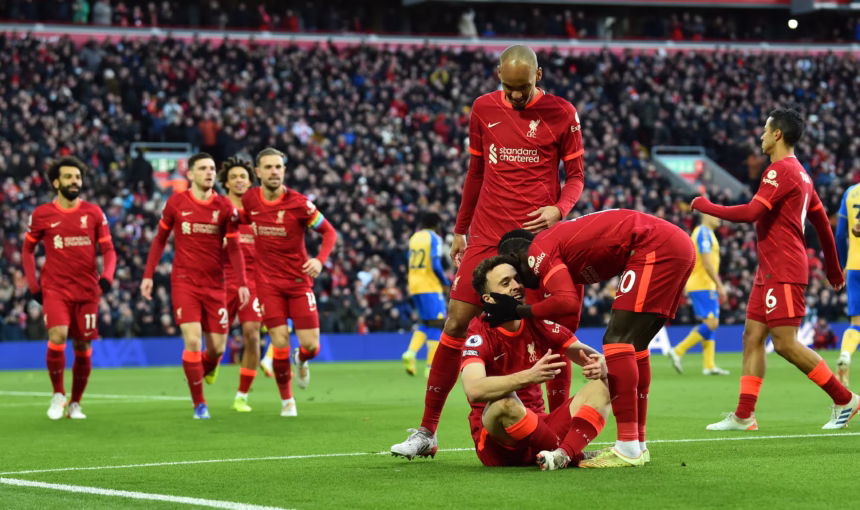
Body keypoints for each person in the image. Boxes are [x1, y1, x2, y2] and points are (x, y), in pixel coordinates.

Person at [391, 44, 586, 459]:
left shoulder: (562, 113)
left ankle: (557, 432)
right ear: (498, 74)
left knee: (549, 330)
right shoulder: (482, 108)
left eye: (524, 87)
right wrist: (461, 229)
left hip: (536, 238)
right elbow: (476, 171)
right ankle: (427, 432)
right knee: (456, 320)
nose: (516, 96)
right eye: (508, 87)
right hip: (486, 230)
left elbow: (576, 177)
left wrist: (559, 209)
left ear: (539, 75)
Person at [484, 209, 696, 467]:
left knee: (616, 339)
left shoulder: (538, 250)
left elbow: (567, 303)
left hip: (653, 246)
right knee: (635, 346)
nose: (523, 284)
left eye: (518, 276)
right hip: (674, 244)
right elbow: (569, 308)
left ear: (516, 256)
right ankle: (637, 445)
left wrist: (517, 310)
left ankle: (628, 447)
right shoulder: (559, 248)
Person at [691, 108, 859, 430]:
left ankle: (845, 399)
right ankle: (744, 415)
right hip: (769, 270)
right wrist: (834, 269)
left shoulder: (779, 171)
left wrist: (705, 206)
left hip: (783, 268)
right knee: (752, 337)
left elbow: (752, 212)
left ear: (778, 134)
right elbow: (822, 221)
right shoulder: (802, 175)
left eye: (766, 131)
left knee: (784, 343)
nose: (761, 136)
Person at [460, 256, 610, 470]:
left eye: (517, 280)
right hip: (500, 442)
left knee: (607, 381)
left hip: (540, 426)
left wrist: (602, 365)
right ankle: (573, 454)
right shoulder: (479, 332)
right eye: (505, 283)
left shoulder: (535, 320)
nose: (516, 286)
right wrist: (529, 376)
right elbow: (473, 389)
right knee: (506, 402)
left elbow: (589, 356)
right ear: (489, 298)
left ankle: (562, 454)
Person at [141, 152, 249, 420]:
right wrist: (148, 275)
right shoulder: (176, 203)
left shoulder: (224, 208)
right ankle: (199, 403)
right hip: (184, 282)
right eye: (203, 168)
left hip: (216, 285)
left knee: (218, 349)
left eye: (212, 168)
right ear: (190, 174)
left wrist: (243, 283)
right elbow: (159, 240)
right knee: (192, 340)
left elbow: (234, 247)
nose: (209, 173)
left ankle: (206, 367)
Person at [241, 147, 337, 417]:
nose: (274, 171)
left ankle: (301, 360)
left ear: (284, 170)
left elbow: (329, 232)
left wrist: (320, 259)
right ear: (258, 172)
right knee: (279, 340)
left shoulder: (300, 204)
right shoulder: (249, 200)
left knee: (310, 345)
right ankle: (287, 401)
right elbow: (234, 220)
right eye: (268, 167)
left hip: (298, 283)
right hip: (267, 285)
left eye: (278, 167)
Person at [22, 156, 117, 420]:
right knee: (58, 336)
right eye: (68, 177)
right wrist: (33, 285)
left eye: (77, 177)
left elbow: (109, 249)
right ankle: (58, 395)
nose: (74, 181)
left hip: (87, 290)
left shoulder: (94, 213)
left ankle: (75, 403)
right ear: (56, 182)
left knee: (83, 345)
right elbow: (27, 250)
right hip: (55, 288)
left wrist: (107, 276)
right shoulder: (42, 214)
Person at [218, 157, 263, 412]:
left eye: (243, 177)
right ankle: (208, 363)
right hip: (223, 280)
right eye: (234, 176)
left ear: (249, 182)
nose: (238, 180)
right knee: (217, 341)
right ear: (226, 183)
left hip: (253, 281)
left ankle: (242, 395)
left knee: (252, 335)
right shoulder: (219, 211)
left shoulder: (257, 213)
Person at [668, 213, 730, 375]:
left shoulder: (705, 233)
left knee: (709, 323)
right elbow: (707, 263)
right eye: (715, 215)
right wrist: (720, 285)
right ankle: (678, 350)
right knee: (712, 323)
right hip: (702, 284)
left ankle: (709, 365)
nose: (719, 218)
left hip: (704, 284)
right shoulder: (703, 233)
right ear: (705, 216)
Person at [402, 213, 449, 378]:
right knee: (437, 323)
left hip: (415, 285)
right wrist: (445, 282)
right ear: (436, 225)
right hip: (430, 285)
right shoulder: (434, 238)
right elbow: (435, 263)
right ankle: (430, 367)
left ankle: (410, 352)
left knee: (425, 322)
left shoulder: (414, 237)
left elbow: (408, 259)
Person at [835, 183, 860, 386]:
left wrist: (842, 264)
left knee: (856, 323)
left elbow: (840, 234)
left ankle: (845, 353)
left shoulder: (850, 193)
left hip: (855, 266)